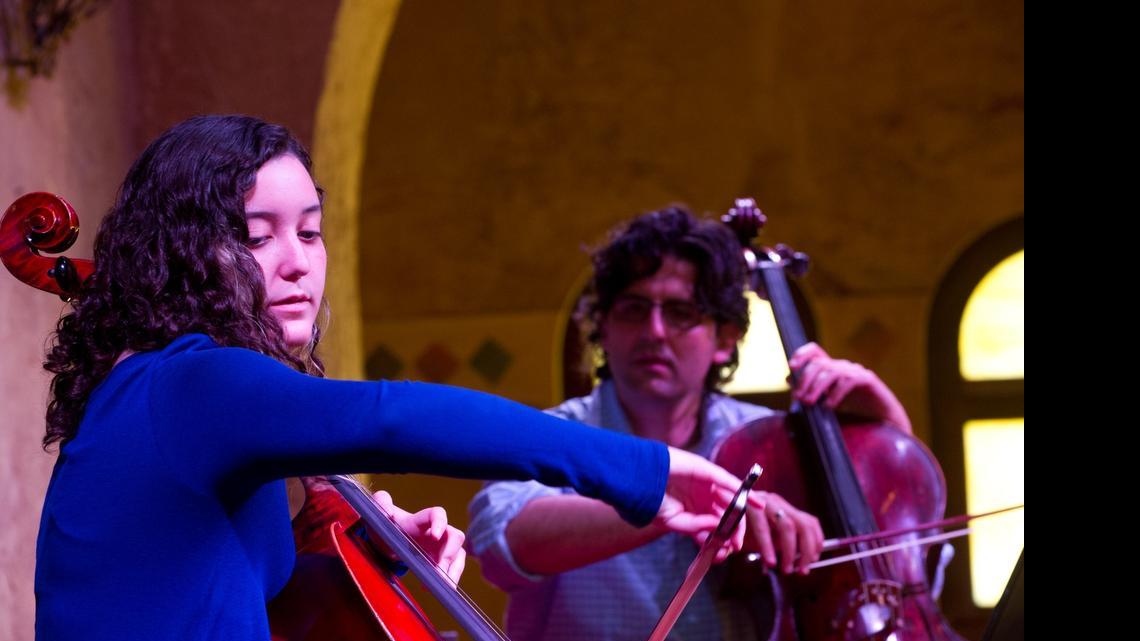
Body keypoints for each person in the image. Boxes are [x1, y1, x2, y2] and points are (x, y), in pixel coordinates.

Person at [31, 116, 761, 641]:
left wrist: (376, 558)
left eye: (310, 231)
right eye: (258, 235)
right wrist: (642, 466)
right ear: (186, 253)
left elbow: (241, 610)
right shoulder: (192, 387)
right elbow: (392, 416)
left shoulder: (184, 407)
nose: (297, 262)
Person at [468, 205, 914, 641]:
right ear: (602, 326)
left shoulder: (771, 442)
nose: (655, 331)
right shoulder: (554, 436)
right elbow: (501, 542)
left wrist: (884, 421)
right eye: (633, 309)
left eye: (681, 314)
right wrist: (673, 502)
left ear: (725, 338)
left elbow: (892, 558)